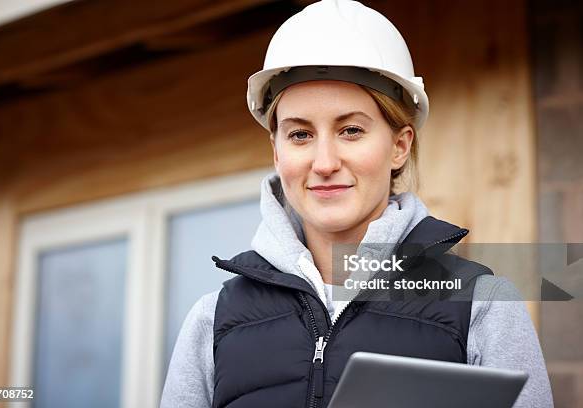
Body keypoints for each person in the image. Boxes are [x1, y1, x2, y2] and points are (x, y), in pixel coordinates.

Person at [160, 1, 554, 407]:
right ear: (277, 152)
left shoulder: (482, 303)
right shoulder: (213, 320)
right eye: (299, 135)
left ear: (399, 146)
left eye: (350, 130)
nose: (325, 163)